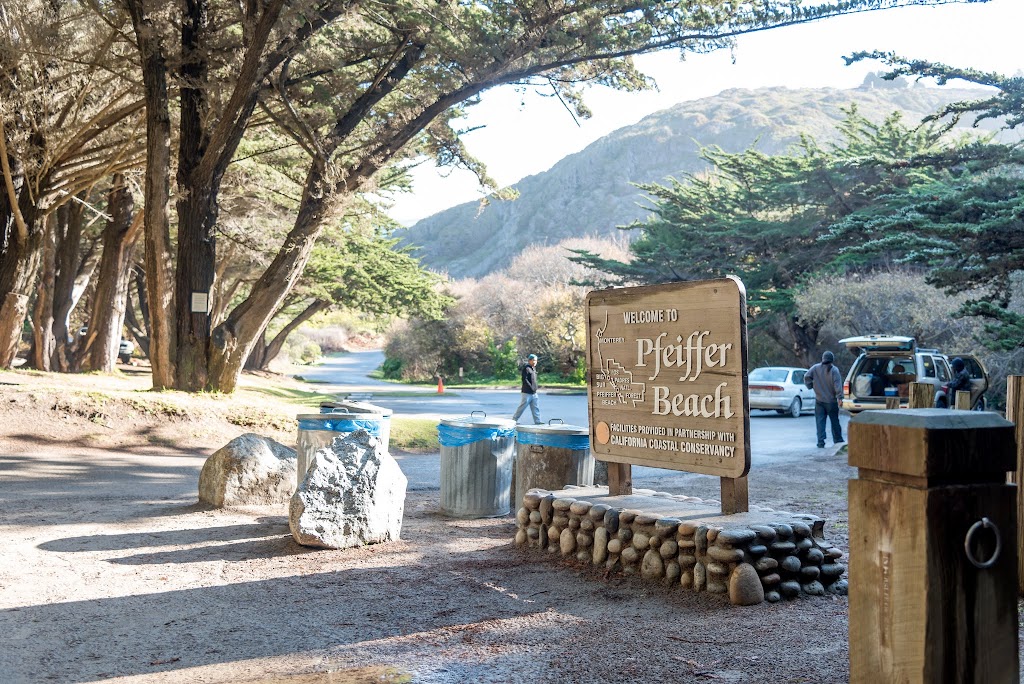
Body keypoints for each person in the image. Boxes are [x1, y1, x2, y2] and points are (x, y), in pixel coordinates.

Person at [805, 350, 844, 448]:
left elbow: (806, 376)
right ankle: (838, 440)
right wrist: (839, 397)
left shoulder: (815, 368)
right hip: (831, 401)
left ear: (822, 359)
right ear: (832, 360)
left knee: (820, 422)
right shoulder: (834, 370)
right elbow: (837, 385)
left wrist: (810, 385)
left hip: (819, 400)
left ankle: (820, 442)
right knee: (834, 421)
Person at [513, 353, 541, 424]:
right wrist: (531, 387)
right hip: (527, 392)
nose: (535, 362)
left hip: (534, 393)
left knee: (535, 408)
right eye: (534, 360)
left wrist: (535, 388)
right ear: (530, 360)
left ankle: (537, 421)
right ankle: (514, 420)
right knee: (522, 407)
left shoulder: (533, 368)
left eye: (536, 360)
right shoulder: (526, 368)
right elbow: (525, 380)